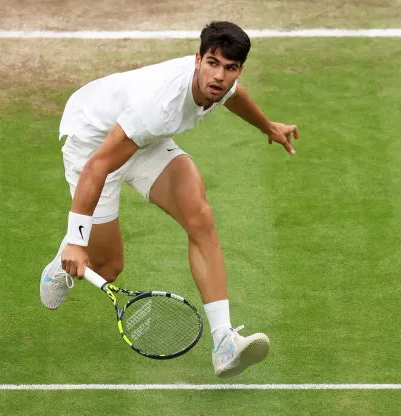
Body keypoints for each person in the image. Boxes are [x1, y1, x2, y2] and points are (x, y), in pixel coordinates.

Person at [40, 21, 298, 379]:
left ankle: (224, 342)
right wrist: (74, 240)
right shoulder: (159, 105)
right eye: (212, 63)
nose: (220, 76)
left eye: (229, 68)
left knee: (200, 217)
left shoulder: (219, 84)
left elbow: (234, 96)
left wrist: (267, 126)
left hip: (144, 140)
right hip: (93, 140)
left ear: (238, 69)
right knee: (108, 266)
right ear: (197, 59)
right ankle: (61, 261)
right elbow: (97, 167)